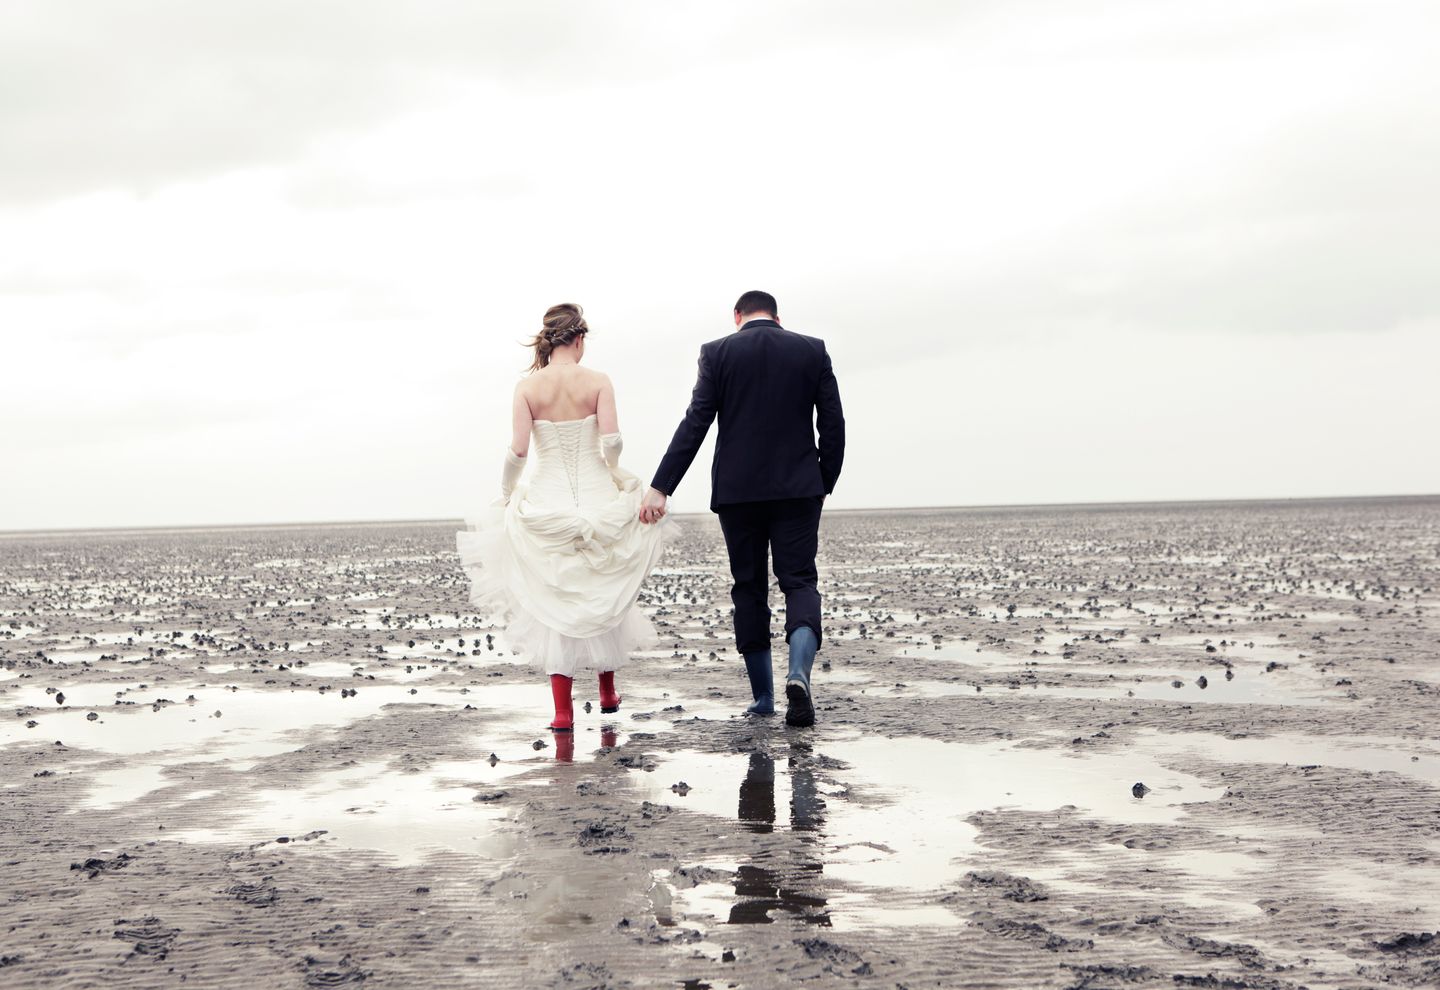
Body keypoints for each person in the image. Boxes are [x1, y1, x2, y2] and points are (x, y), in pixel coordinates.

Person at [457, 304, 669, 734]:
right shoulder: (598, 381)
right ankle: (608, 692)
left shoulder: (528, 388)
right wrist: (613, 471)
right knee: (602, 590)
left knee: (556, 602)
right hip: (595, 495)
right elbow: (611, 442)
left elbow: (518, 452)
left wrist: (505, 494)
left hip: (548, 501)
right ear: (579, 339)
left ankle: (562, 712)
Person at [640, 291, 844, 727]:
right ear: (776, 316)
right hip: (799, 490)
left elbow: (696, 421)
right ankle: (798, 674)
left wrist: (661, 487)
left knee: (748, 587)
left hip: (738, 493)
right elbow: (833, 421)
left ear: (738, 316)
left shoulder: (717, 353)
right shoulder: (812, 349)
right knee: (799, 581)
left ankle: (765, 698)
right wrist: (823, 480)